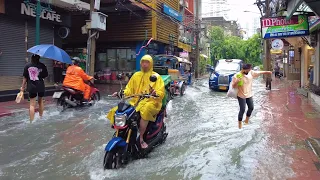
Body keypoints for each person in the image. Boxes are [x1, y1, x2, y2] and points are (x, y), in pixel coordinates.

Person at [107, 55, 165, 149]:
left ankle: (141, 138)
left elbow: (161, 92)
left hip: (151, 101)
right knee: (117, 110)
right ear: (140, 63)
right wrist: (121, 93)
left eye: (147, 62)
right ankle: (120, 133)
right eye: (143, 62)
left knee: (145, 110)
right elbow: (129, 89)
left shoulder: (156, 77)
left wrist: (155, 93)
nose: (145, 64)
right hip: (136, 101)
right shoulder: (136, 75)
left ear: (151, 64)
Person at [232, 63, 272, 129]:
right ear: (244, 69)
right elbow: (233, 86)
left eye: (250, 69)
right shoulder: (237, 75)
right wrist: (237, 81)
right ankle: (239, 124)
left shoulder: (251, 73)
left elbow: (259, 72)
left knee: (251, 107)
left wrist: (267, 72)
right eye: (248, 70)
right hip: (241, 95)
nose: (249, 70)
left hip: (249, 94)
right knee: (242, 110)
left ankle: (246, 120)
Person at [21, 54, 48, 122]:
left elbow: (25, 77)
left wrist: (22, 87)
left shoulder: (27, 66)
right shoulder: (42, 65)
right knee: (40, 101)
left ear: (31, 58)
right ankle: (41, 117)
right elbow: (45, 75)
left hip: (31, 86)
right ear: (39, 58)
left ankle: (31, 120)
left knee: (32, 104)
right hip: (40, 86)